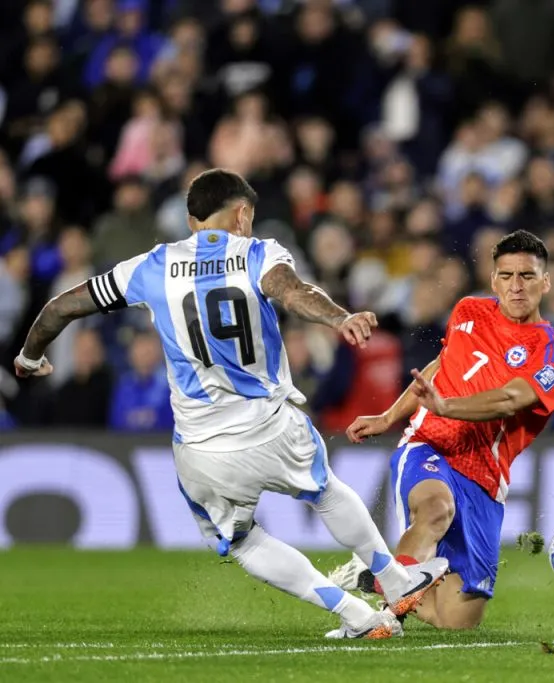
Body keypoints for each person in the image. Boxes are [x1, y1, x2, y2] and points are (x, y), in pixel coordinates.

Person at [13, 169, 448, 640]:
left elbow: (60, 307)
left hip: (201, 449)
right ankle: (393, 579)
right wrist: (340, 318)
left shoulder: (150, 266)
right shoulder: (256, 253)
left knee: (243, 542)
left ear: (190, 219)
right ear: (242, 215)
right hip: (271, 426)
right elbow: (294, 292)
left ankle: (355, 615)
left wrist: (29, 356)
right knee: (325, 491)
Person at [330, 230, 554, 629]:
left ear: (545, 282)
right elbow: (441, 368)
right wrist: (390, 416)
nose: (516, 286)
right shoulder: (467, 311)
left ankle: (382, 576)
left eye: (528, 276)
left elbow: (512, 398)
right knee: (435, 509)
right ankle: (379, 619)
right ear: (493, 280)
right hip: (431, 444)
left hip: (484, 477)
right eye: (507, 275)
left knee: (456, 621)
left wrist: (449, 405)